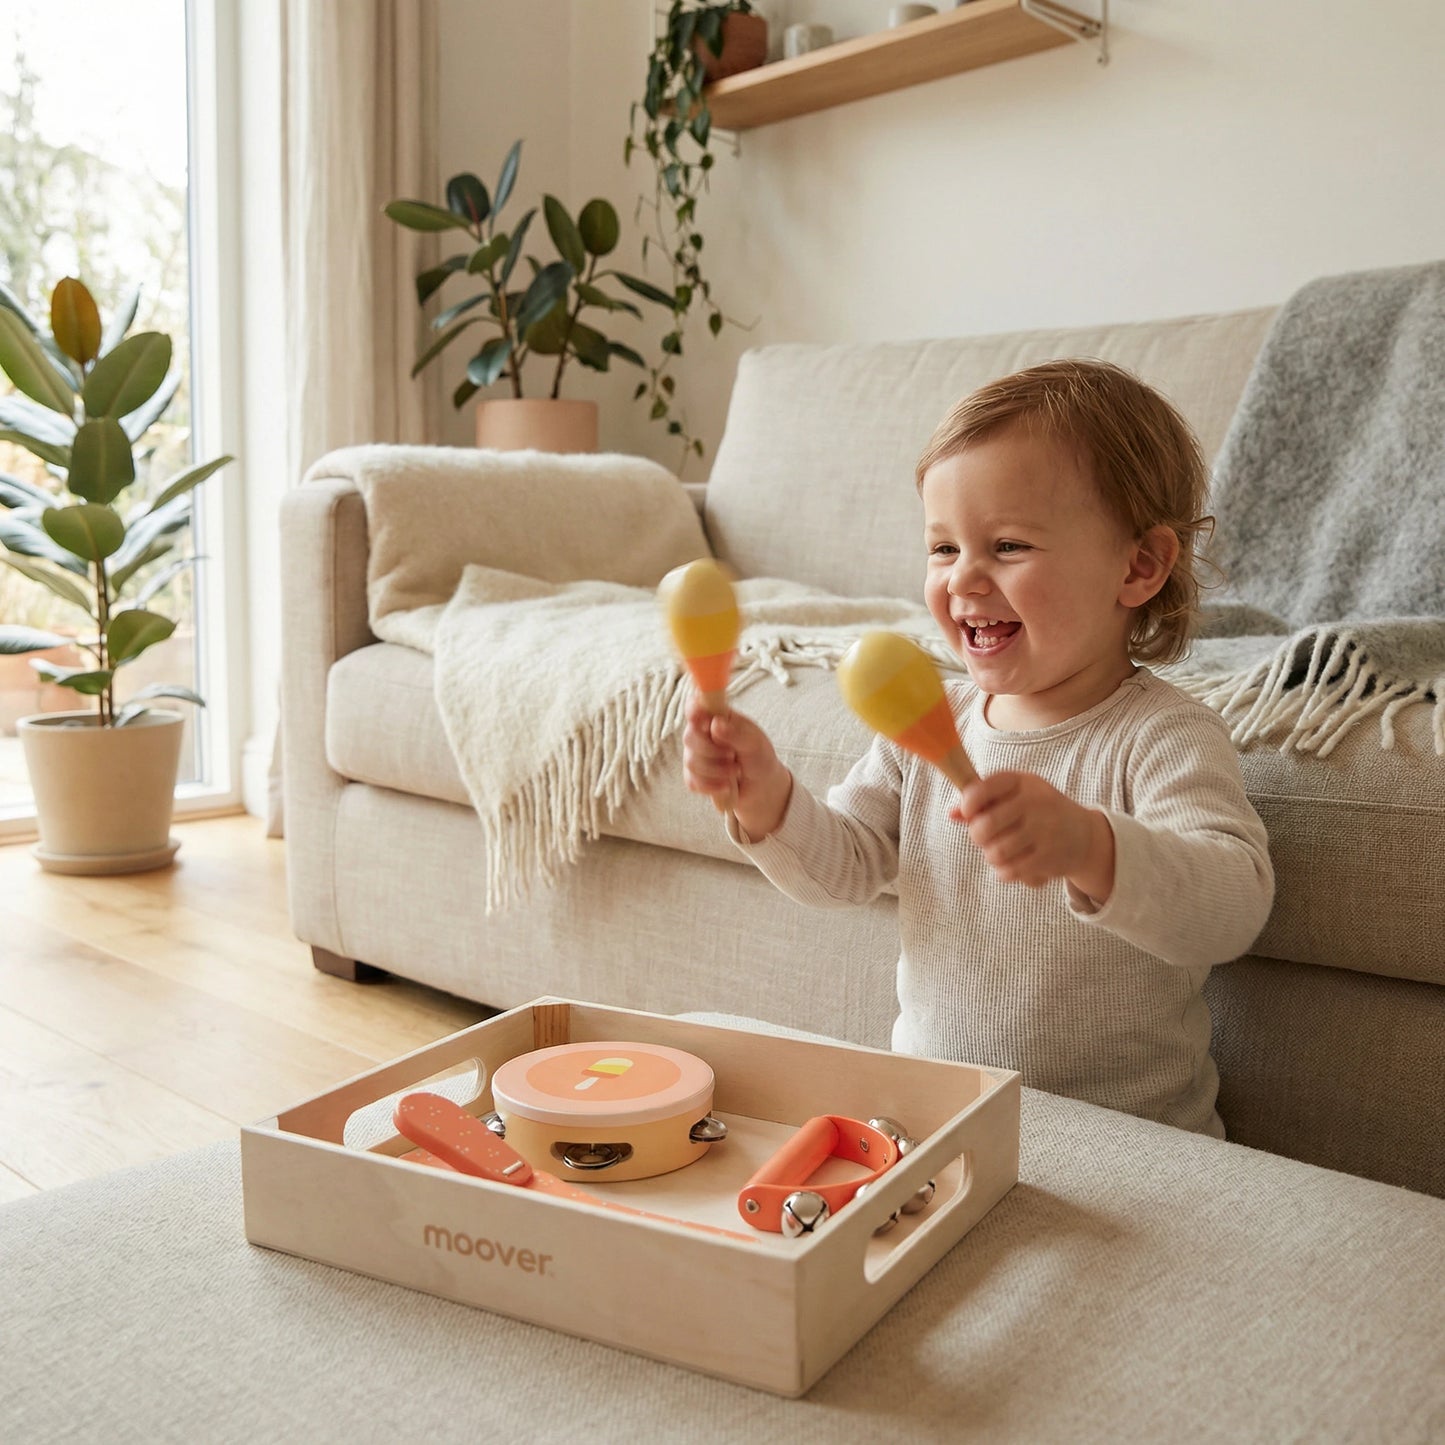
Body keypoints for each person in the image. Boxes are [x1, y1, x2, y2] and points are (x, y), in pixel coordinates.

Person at [682, 359, 1274, 1137]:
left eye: (1006, 545)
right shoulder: (931, 722)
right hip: (939, 1119)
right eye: (941, 548)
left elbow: (1231, 908)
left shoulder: (1161, 735)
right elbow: (846, 864)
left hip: (1131, 1137)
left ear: (1138, 566)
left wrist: (1090, 846)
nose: (963, 579)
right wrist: (767, 801)